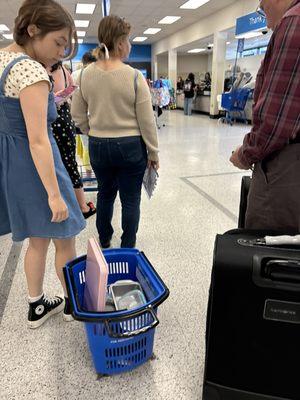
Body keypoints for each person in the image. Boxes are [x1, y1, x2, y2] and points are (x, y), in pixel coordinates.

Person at [0, 0, 86, 328]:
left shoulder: (2, 60)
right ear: (33, 30)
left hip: (13, 167)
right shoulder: (31, 69)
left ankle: (36, 305)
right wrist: (54, 193)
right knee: (65, 238)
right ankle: (73, 304)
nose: (61, 52)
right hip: (40, 167)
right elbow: (38, 139)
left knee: (37, 240)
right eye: (58, 42)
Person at [72, 15, 159, 249]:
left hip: (99, 145)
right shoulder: (134, 76)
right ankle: (128, 244)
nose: (129, 45)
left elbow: (77, 114)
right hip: (131, 146)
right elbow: (147, 120)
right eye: (128, 40)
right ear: (120, 43)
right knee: (131, 200)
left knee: (105, 194)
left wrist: (94, 131)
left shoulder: (84, 74)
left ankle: (104, 239)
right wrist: (153, 153)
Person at [230, 0, 300, 232]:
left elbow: (274, 122)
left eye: (262, 3)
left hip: (286, 169)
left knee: (272, 251)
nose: (262, 7)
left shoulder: (293, 23)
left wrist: (245, 154)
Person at [49, 61, 96, 219]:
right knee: (69, 163)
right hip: (64, 119)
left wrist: (54, 98)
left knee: (53, 163)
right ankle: (81, 206)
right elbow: (72, 88)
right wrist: (62, 96)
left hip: (50, 121)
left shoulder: (42, 69)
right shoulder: (62, 69)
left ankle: (71, 204)